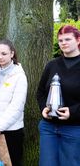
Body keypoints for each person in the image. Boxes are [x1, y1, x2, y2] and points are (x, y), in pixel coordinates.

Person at [36, 25, 80, 166]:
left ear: (78, 40)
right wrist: (44, 108)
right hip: (48, 128)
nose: (63, 43)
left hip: (74, 128)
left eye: (68, 39)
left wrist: (72, 112)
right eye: (60, 40)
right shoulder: (52, 65)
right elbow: (40, 92)